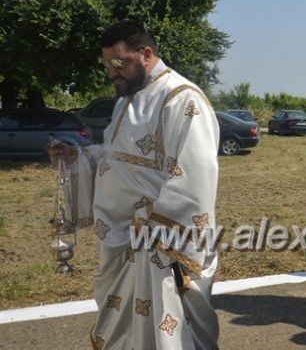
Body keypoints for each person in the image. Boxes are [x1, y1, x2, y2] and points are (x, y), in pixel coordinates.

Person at [49, 20, 220, 349]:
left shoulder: (182, 100)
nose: (112, 72)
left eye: (119, 62)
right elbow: (116, 160)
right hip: (121, 243)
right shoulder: (125, 102)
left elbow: (196, 174)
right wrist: (78, 158)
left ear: (146, 53)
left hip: (157, 248)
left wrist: (155, 225)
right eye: (107, 65)